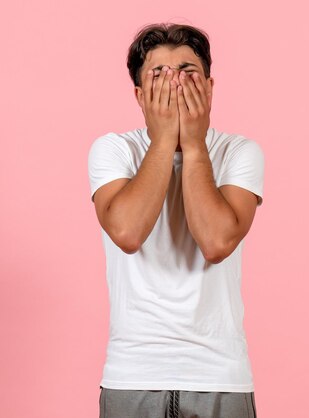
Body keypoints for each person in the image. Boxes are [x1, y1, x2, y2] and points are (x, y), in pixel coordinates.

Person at [87, 22, 264, 418]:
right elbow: (128, 232)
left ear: (210, 87)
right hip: (132, 375)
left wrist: (195, 145)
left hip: (220, 376)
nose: (175, 84)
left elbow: (217, 242)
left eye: (188, 72)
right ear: (139, 94)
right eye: (159, 75)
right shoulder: (113, 150)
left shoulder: (239, 152)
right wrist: (165, 139)